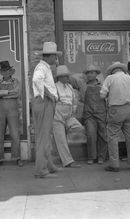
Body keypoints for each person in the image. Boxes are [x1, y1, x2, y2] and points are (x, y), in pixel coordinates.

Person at [100, 62, 130, 172]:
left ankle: (114, 164)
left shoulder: (110, 78)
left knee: (112, 137)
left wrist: (109, 95)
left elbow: (102, 94)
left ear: (113, 70)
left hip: (116, 110)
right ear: (122, 69)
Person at [32, 42, 63, 178]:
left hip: (45, 101)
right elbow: (36, 80)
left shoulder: (45, 67)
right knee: (44, 136)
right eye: (54, 56)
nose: (55, 59)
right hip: (44, 102)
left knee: (46, 136)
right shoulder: (41, 67)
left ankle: (49, 165)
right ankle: (41, 170)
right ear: (49, 56)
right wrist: (49, 95)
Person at [0, 61, 23, 166]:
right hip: (0, 112)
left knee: (15, 134)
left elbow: (17, 93)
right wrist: (9, 92)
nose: (5, 72)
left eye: (7, 70)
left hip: (13, 111)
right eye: (3, 71)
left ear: (11, 71)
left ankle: (17, 157)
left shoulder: (16, 82)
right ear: (1, 72)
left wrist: (2, 94)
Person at [53, 65, 82, 168]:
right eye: (64, 76)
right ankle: (68, 161)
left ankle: (60, 157)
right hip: (58, 113)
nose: (67, 78)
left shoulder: (70, 87)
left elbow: (74, 100)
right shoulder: (54, 86)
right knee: (61, 138)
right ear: (60, 77)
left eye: (67, 76)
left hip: (69, 113)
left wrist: (74, 109)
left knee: (78, 128)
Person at [83, 65, 107, 165]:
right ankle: (91, 157)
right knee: (91, 135)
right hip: (89, 115)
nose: (89, 75)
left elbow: (107, 100)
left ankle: (102, 157)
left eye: (92, 72)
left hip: (101, 113)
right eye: (88, 73)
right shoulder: (83, 86)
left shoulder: (103, 86)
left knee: (103, 136)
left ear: (96, 74)